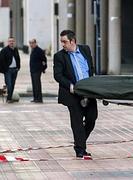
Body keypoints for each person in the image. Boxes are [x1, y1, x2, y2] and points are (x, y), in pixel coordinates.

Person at [53, 30, 97, 158]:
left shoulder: (85, 50)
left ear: (73, 41)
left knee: (92, 118)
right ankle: (80, 149)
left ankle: (80, 141)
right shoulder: (59, 56)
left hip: (88, 92)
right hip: (72, 93)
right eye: (61, 42)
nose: (63, 44)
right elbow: (58, 76)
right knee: (77, 122)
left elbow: (91, 68)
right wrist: (70, 86)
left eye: (65, 41)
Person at [0, 37, 21, 103]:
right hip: (8, 70)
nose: (11, 42)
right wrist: (4, 69)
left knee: (13, 84)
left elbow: (18, 59)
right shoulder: (4, 50)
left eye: (13, 41)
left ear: (14, 42)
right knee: (9, 84)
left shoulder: (15, 50)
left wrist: (18, 67)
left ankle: (9, 98)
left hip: (15, 70)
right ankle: (8, 97)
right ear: (8, 42)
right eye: (10, 41)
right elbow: (1, 61)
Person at [29, 39, 47, 103]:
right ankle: (35, 98)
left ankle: (39, 98)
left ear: (35, 43)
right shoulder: (33, 50)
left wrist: (43, 68)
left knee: (37, 85)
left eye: (32, 43)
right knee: (34, 85)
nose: (31, 44)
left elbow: (44, 60)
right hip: (32, 70)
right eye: (30, 43)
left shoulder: (39, 50)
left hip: (37, 70)